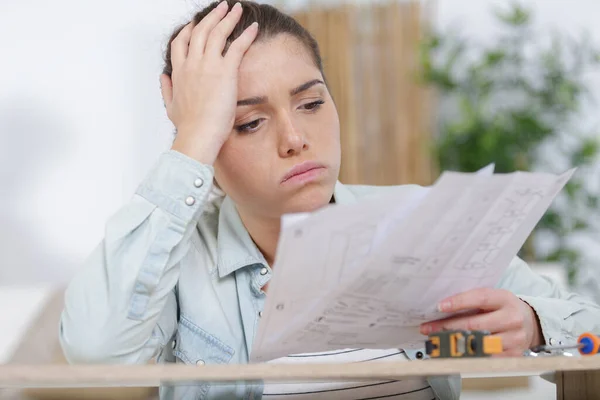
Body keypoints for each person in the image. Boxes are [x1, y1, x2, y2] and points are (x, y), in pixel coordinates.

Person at [59, 1, 600, 399]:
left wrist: (533, 325)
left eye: (311, 103)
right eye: (247, 122)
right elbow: (93, 351)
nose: (294, 138)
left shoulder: (422, 223)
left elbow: (591, 341)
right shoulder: (181, 262)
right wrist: (191, 141)